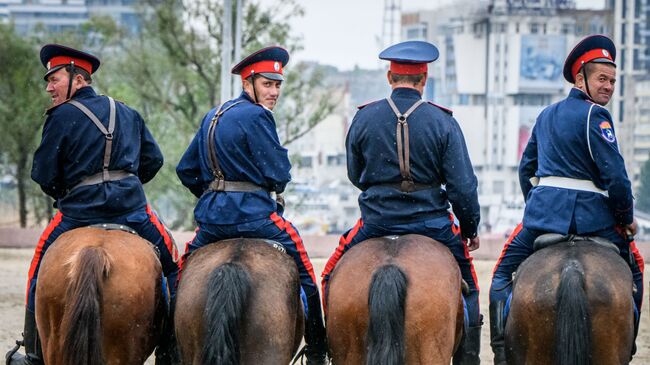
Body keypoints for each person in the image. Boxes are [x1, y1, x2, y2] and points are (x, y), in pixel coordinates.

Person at [5, 44, 180, 365]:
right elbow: (153, 161)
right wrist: (123, 183)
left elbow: (42, 173)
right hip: (131, 211)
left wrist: (67, 192)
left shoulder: (60, 117)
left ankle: (33, 353)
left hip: (76, 213)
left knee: (38, 267)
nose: (48, 87)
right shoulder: (128, 113)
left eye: (54, 79)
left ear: (78, 78)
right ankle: (173, 349)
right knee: (172, 263)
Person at [321, 40, 483, 365]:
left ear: (389, 77)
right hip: (432, 225)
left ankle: (319, 348)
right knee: (471, 290)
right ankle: (469, 358)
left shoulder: (364, 118)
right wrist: (469, 228)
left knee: (328, 277)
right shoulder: (443, 122)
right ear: (424, 79)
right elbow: (462, 187)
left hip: (375, 222)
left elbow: (356, 174)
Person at [488, 34, 645, 364]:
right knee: (637, 270)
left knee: (502, 275)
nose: (608, 86)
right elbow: (616, 178)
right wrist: (625, 217)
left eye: (612, 81)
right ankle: (627, 346)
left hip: (543, 219)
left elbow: (525, 168)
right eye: (602, 78)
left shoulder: (545, 115)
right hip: (594, 220)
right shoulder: (596, 117)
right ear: (580, 78)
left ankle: (501, 350)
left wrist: (537, 202)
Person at [175, 46, 328, 364]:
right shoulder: (258, 116)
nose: (274, 92)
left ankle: (170, 346)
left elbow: (186, 170)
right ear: (248, 83)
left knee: (177, 276)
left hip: (213, 222)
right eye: (267, 84)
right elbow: (278, 172)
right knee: (305, 272)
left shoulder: (212, 115)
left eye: (277, 85)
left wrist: (214, 196)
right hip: (256, 218)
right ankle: (316, 348)